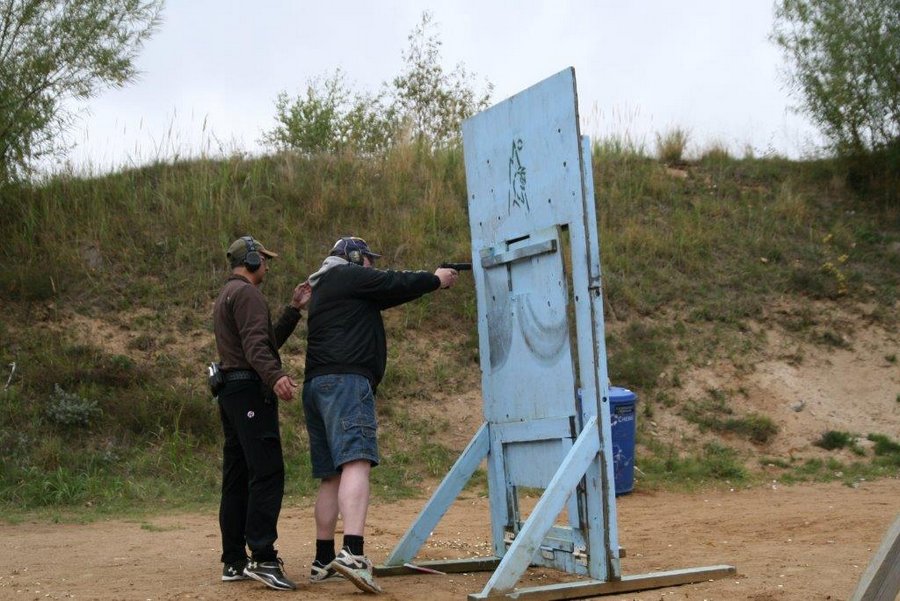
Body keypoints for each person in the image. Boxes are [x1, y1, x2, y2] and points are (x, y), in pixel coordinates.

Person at [301, 236, 458, 594]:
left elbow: (389, 292)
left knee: (330, 475)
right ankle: (353, 553)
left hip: (318, 385)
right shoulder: (347, 276)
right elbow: (393, 282)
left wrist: (429, 284)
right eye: (367, 259)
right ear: (353, 258)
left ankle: (323, 559)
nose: (371, 265)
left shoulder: (326, 285)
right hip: (346, 383)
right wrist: (435, 279)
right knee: (357, 461)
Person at [213, 235, 311, 591]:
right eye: (264, 260)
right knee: (267, 471)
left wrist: (293, 309)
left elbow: (261, 341)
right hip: (250, 392)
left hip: (231, 391)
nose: (267, 266)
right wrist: (276, 377)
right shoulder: (249, 294)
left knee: (237, 476)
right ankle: (264, 558)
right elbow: (257, 348)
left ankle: (234, 560)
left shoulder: (228, 294)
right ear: (252, 259)